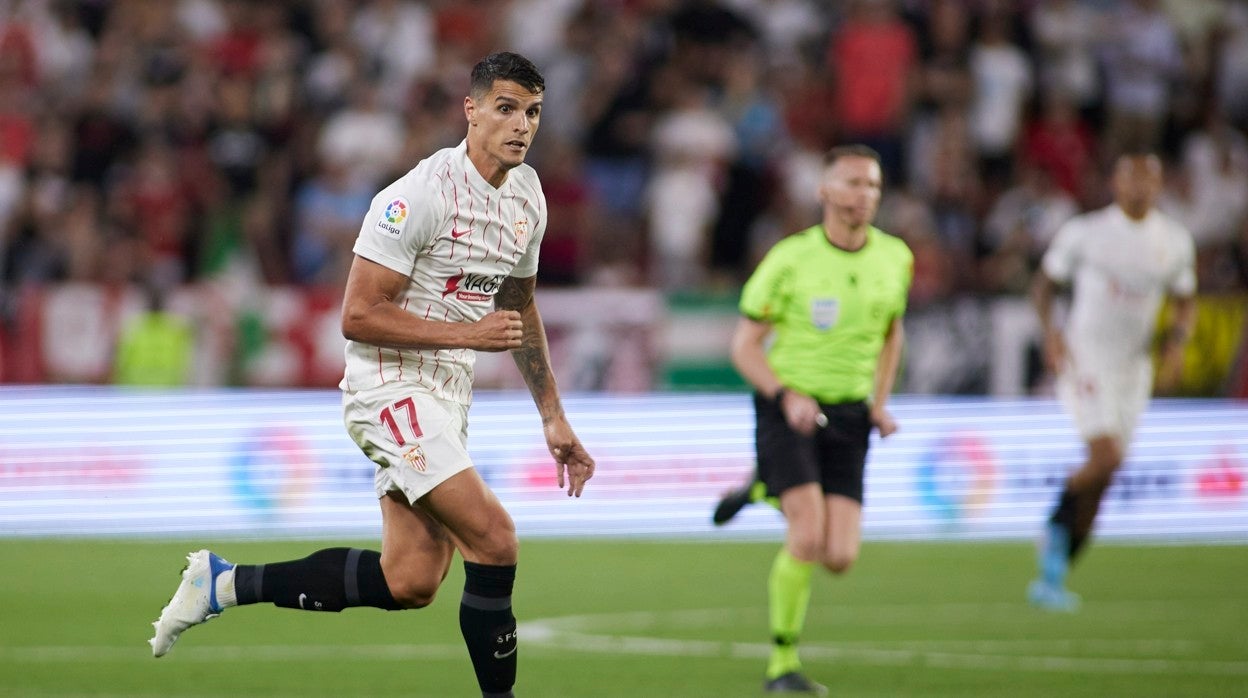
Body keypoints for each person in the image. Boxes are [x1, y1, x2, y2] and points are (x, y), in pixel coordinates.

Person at [149, 52, 597, 698]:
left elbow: (519, 304)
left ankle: (222, 583)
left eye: (532, 112)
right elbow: (358, 315)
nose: (521, 125)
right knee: (495, 540)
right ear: (469, 111)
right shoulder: (416, 196)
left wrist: (552, 415)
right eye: (505, 108)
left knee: (410, 581)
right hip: (388, 386)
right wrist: (468, 334)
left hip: (447, 391)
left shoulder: (527, 196)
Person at [716, 144, 912, 694]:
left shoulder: (896, 257)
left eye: (872, 185)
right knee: (806, 535)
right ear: (824, 191)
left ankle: (761, 489)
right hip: (790, 407)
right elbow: (744, 348)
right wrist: (786, 395)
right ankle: (782, 666)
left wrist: (878, 402)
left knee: (840, 556)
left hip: (850, 414)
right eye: (851, 183)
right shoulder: (790, 258)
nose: (863, 195)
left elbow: (893, 330)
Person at [1027, 148, 1195, 611]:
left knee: (1108, 473)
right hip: (1088, 359)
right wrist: (1052, 334)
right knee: (1105, 456)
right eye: (1131, 178)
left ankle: (1055, 571)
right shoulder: (1086, 233)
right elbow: (1044, 285)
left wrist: (1176, 346)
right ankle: (1052, 526)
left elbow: (1185, 299)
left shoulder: (1175, 240)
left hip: (1133, 368)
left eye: (1149, 179)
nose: (1139, 187)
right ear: (1115, 183)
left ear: (1159, 186)